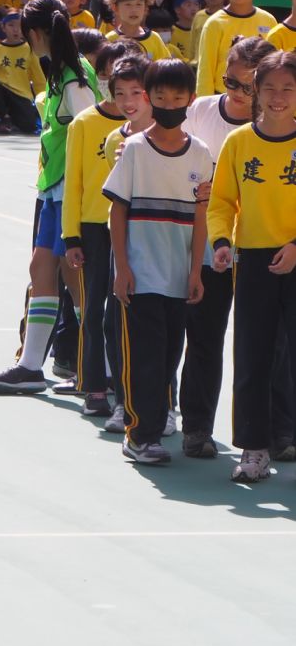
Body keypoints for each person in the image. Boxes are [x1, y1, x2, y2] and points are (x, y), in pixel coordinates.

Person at [0, 0, 100, 393]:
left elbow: (93, 132)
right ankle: (31, 366)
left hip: (71, 191)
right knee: (42, 269)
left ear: (34, 34)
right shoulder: (60, 72)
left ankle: (99, 367)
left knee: (75, 277)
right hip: (54, 188)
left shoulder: (74, 78)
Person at [102, 58, 211, 465]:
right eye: (161, 97)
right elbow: (117, 212)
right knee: (144, 358)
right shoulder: (133, 149)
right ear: (149, 98)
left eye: (177, 97)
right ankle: (139, 435)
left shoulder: (200, 153)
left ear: (190, 100)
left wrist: (195, 271)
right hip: (141, 276)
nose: (169, 104)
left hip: (178, 278)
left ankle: (154, 423)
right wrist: (122, 268)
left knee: (168, 357)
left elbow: (200, 218)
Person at [179, 35, 272, 456]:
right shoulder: (200, 112)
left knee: (267, 346)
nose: (236, 94)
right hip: (208, 244)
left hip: (260, 245)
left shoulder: (279, 126)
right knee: (203, 335)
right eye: (230, 82)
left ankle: (273, 434)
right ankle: (196, 427)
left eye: (248, 87)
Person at [209, 49, 296, 482]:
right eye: (270, 88)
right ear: (256, 92)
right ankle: (254, 449)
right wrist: (221, 241)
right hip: (254, 259)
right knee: (252, 356)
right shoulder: (239, 142)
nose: (278, 97)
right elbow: (221, 202)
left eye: (288, 88)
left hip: (294, 253)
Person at [62, 52, 146, 418]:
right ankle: (94, 385)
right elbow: (74, 182)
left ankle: (125, 389)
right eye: (117, 86)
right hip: (94, 228)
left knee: (122, 315)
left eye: (134, 90)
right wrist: (71, 236)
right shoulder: (85, 123)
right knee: (93, 309)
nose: (125, 98)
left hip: (134, 228)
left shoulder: (152, 129)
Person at [197, 0, 276, 97]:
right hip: (224, 98)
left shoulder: (268, 20)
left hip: (257, 98)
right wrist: (204, 103)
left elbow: (274, 65)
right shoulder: (215, 23)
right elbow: (205, 70)